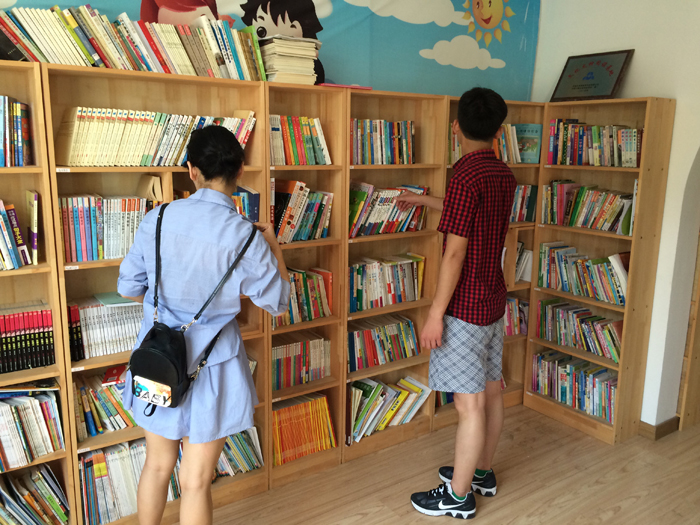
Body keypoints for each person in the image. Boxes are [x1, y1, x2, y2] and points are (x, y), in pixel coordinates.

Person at [118, 125, 290, 525]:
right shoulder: (245, 236)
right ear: (240, 170)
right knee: (195, 481)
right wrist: (274, 248)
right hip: (214, 369)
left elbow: (129, 286)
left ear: (191, 170)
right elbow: (277, 302)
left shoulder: (158, 218)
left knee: (156, 465)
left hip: (158, 362)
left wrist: (169, 310)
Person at [396, 88, 516, 520]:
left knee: (469, 405)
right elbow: (471, 214)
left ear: (455, 127)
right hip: (493, 300)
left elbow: (455, 252)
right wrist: (424, 201)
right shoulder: (503, 174)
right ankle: (481, 472)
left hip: (464, 307)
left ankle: (459, 497)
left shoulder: (465, 173)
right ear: (498, 131)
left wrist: (435, 314)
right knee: (491, 391)